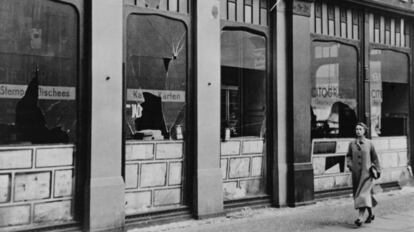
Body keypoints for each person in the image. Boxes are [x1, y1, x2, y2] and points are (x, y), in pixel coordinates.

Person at [346, 122, 381, 227]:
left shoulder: (370, 143)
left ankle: (360, 217)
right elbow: (348, 156)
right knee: (364, 194)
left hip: (367, 174)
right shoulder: (352, 144)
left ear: (364, 131)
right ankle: (371, 214)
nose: (358, 131)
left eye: (360, 129)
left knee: (362, 194)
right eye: (356, 129)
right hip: (356, 174)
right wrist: (350, 165)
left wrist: (378, 170)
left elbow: (375, 158)